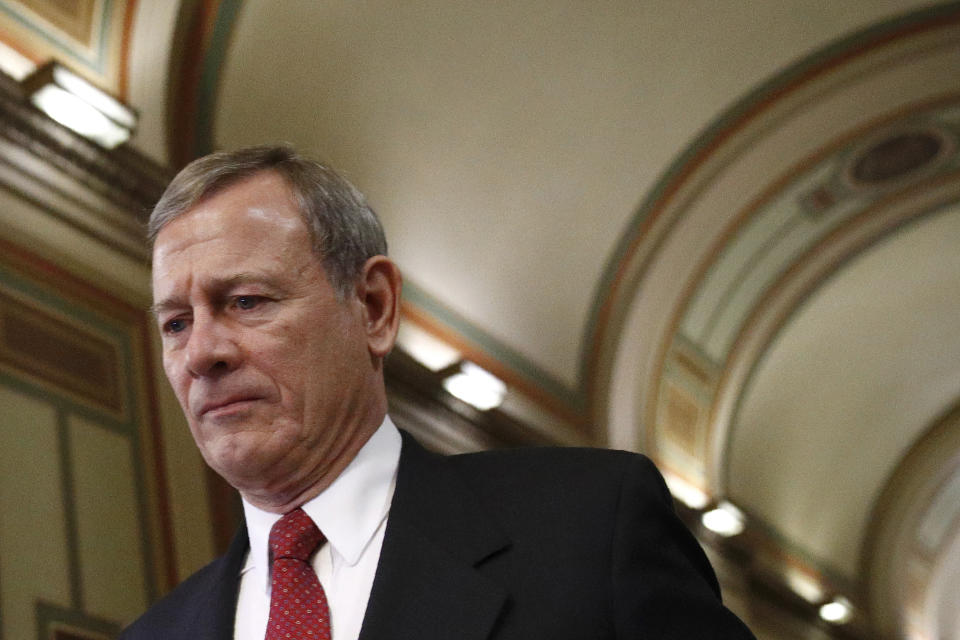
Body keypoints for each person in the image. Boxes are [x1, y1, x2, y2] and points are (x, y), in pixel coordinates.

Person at [121, 145, 755, 639]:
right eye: (176, 322)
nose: (202, 352)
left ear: (372, 308)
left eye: (245, 301)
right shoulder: (154, 635)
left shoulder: (589, 528)